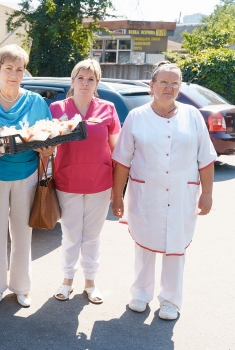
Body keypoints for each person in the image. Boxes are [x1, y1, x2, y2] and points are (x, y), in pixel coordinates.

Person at [111, 61, 216, 321]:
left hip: (182, 192)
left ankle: (170, 300)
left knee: (175, 246)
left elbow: (206, 158)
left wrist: (207, 193)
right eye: (164, 82)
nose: (169, 87)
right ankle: (140, 294)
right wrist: (116, 195)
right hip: (146, 192)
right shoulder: (137, 117)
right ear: (152, 86)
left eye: (174, 83)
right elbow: (122, 160)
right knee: (145, 244)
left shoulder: (193, 116)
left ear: (179, 88)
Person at [0, 44, 53, 307]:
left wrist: (47, 150)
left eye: (19, 69)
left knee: (23, 233)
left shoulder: (36, 103)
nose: (14, 75)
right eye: (8, 69)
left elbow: (49, 142)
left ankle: (21, 286)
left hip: (26, 174)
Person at [49, 59, 120, 304]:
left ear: (97, 83)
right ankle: (67, 280)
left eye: (91, 79)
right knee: (70, 234)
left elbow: (117, 149)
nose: (85, 83)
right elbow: (46, 144)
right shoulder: (57, 109)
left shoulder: (108, 108)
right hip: (67, 181)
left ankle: (90, 282)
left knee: (92, 235)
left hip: (100, 182)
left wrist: (119, 188)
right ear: (72, 80)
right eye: (81, 78)